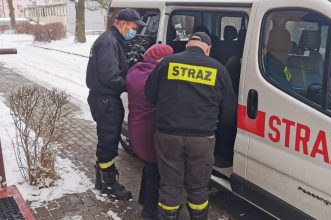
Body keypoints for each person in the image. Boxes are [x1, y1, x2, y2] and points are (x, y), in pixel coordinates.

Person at [145, 32, 237, 220]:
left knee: (170, 184)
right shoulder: (218, 69)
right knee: (198, 186)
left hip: (168, 135)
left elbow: (150, 96)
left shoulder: (166, 63)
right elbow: (229, 111)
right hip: (202, 138)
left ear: (188, 45)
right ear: (208, 48)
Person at [86, 8, 146, 200]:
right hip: (105, 101)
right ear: (122, 24)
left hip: (104, 99)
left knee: (106, 140)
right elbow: (110, 77)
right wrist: (133, 85)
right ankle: (109, 185)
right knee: (109, 142)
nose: (135, 31)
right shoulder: (108, 42)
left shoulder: (111, 40)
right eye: (134, 27)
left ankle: (101, 180)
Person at [125, 44, 174, 219]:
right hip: (150, 128)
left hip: (137, 126)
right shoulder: (156, 76)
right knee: (155, 170)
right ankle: (150, 211)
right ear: (160, 59)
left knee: (148, 165)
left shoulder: (135, 70)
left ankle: (144, 198)